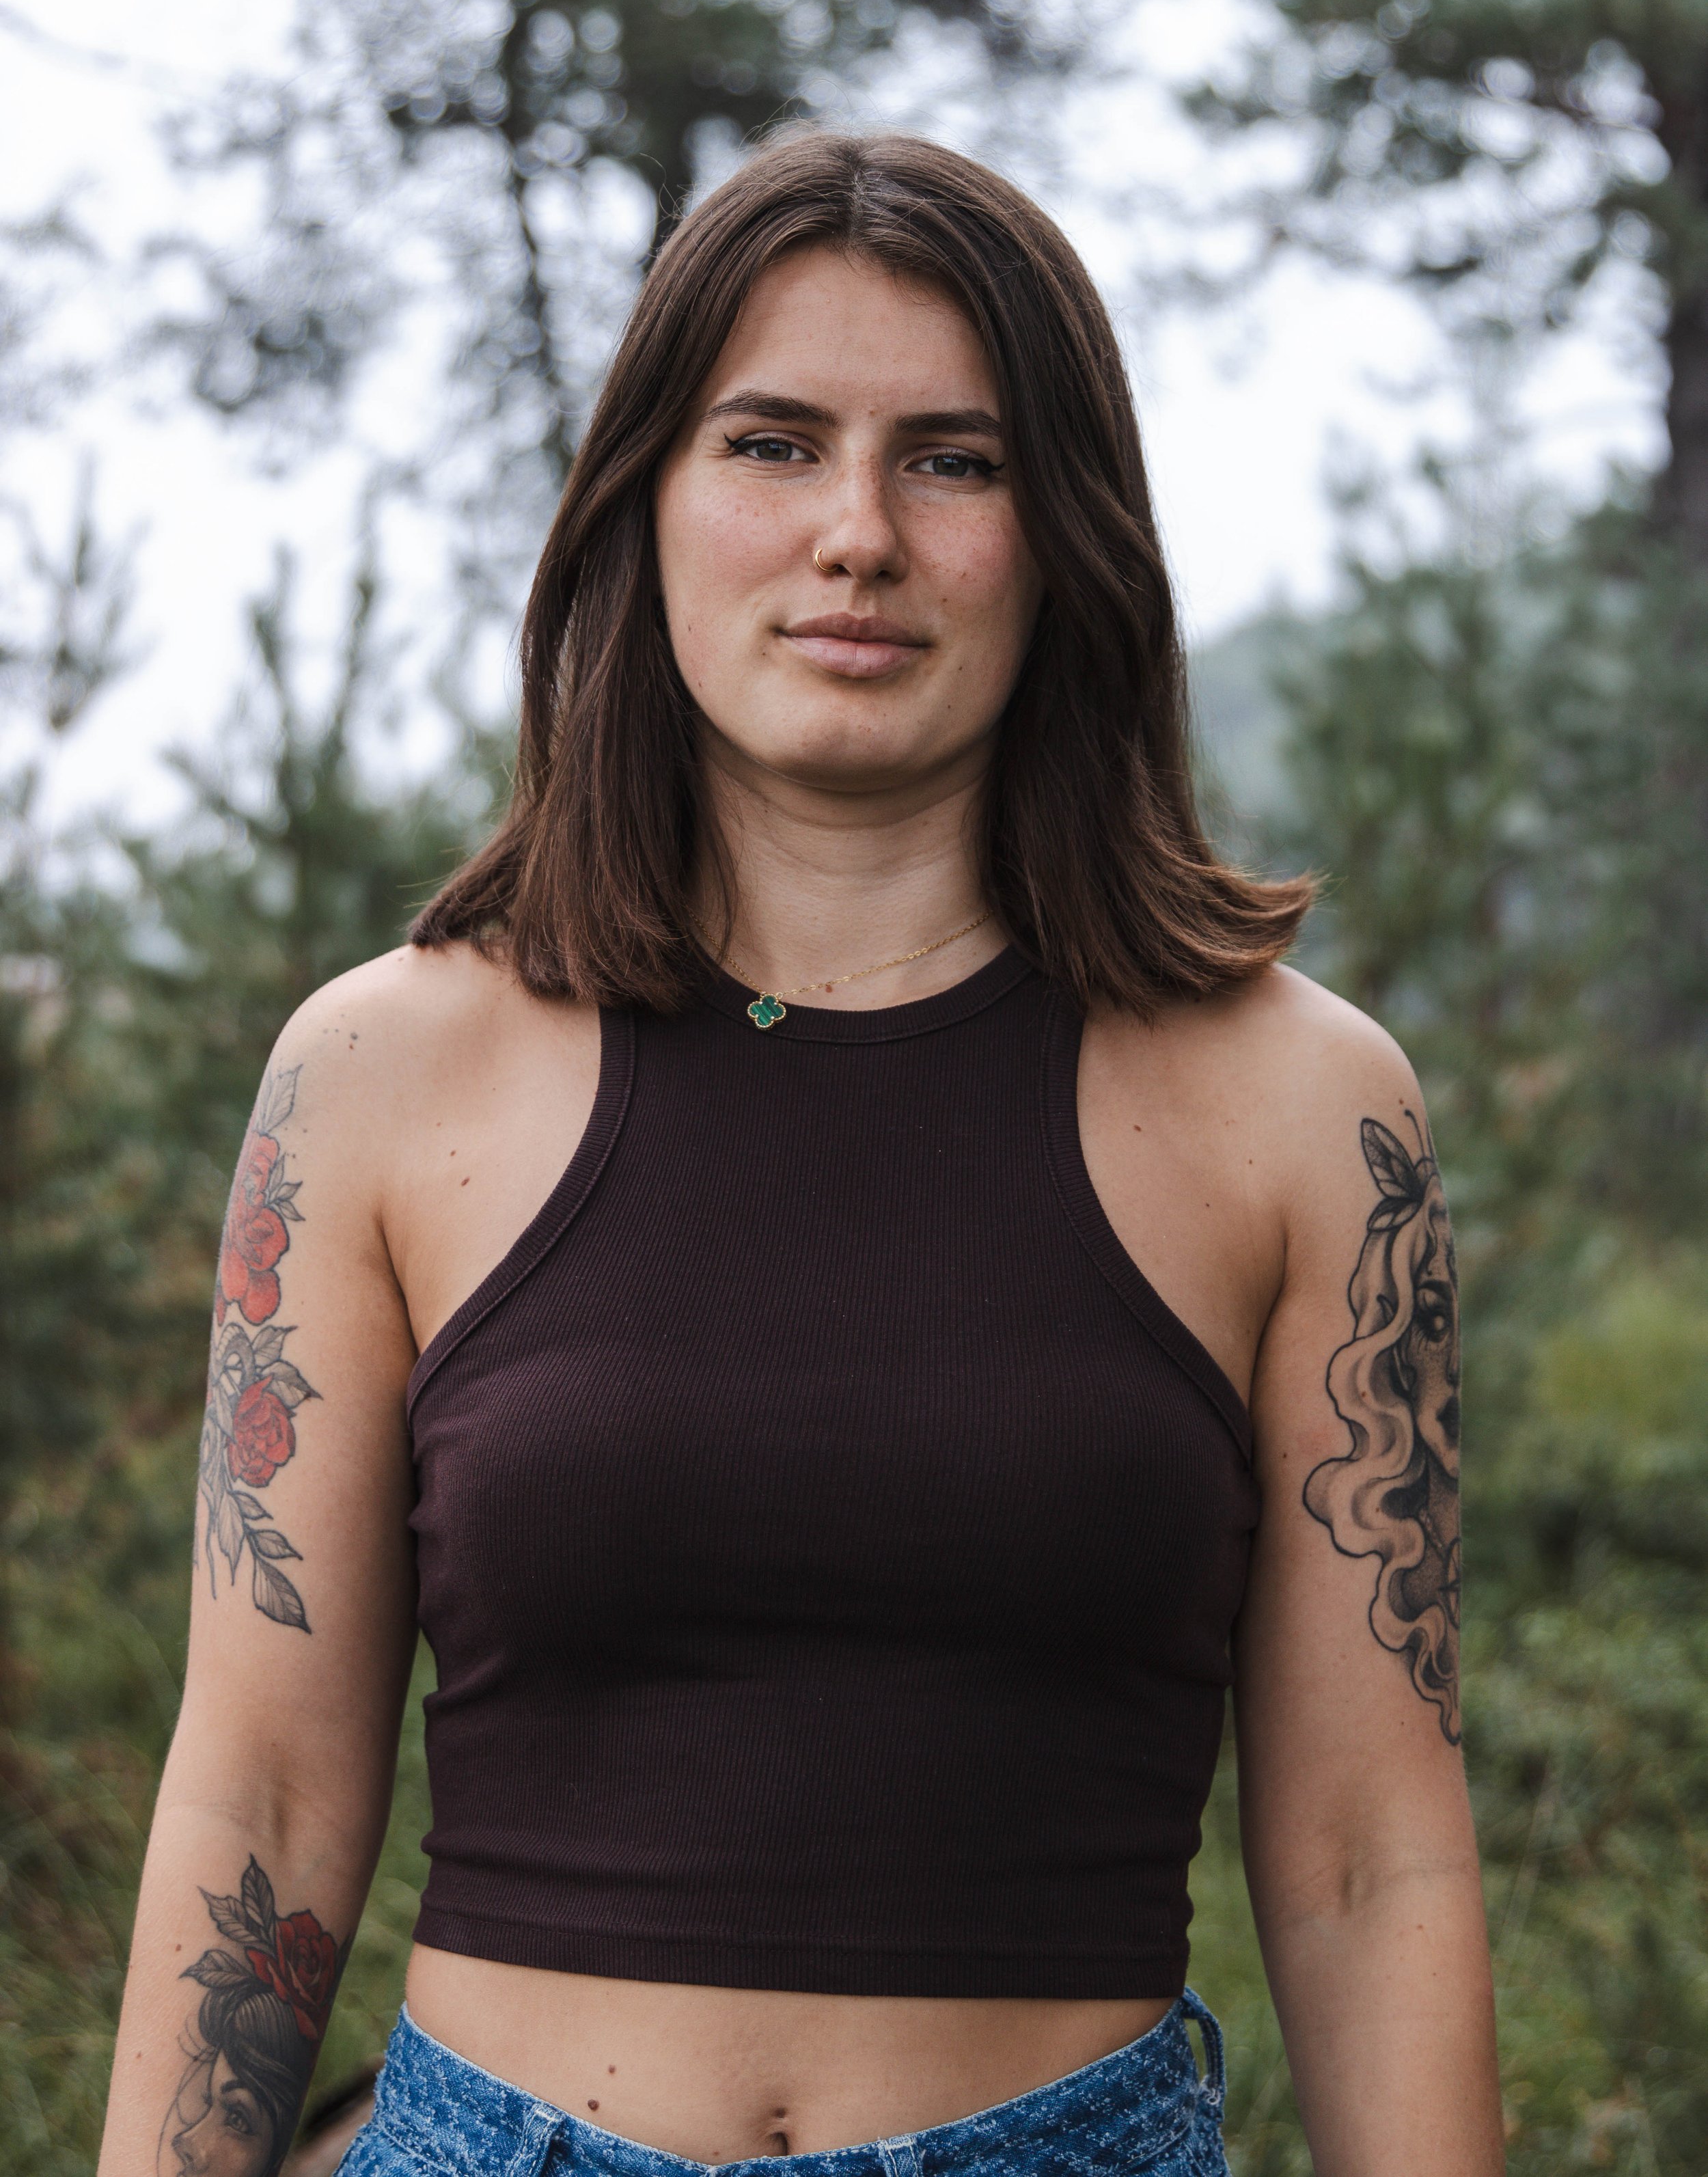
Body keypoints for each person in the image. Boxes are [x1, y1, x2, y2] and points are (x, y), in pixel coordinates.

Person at [100, 131, 1504, 2177]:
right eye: (770, 445)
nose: (858, 535)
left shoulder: (1303, 1110)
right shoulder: (379, 1076)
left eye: (954, 461)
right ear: (642, 506)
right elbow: (260, 1803)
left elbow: (1375, 1860)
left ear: (1068, 531)